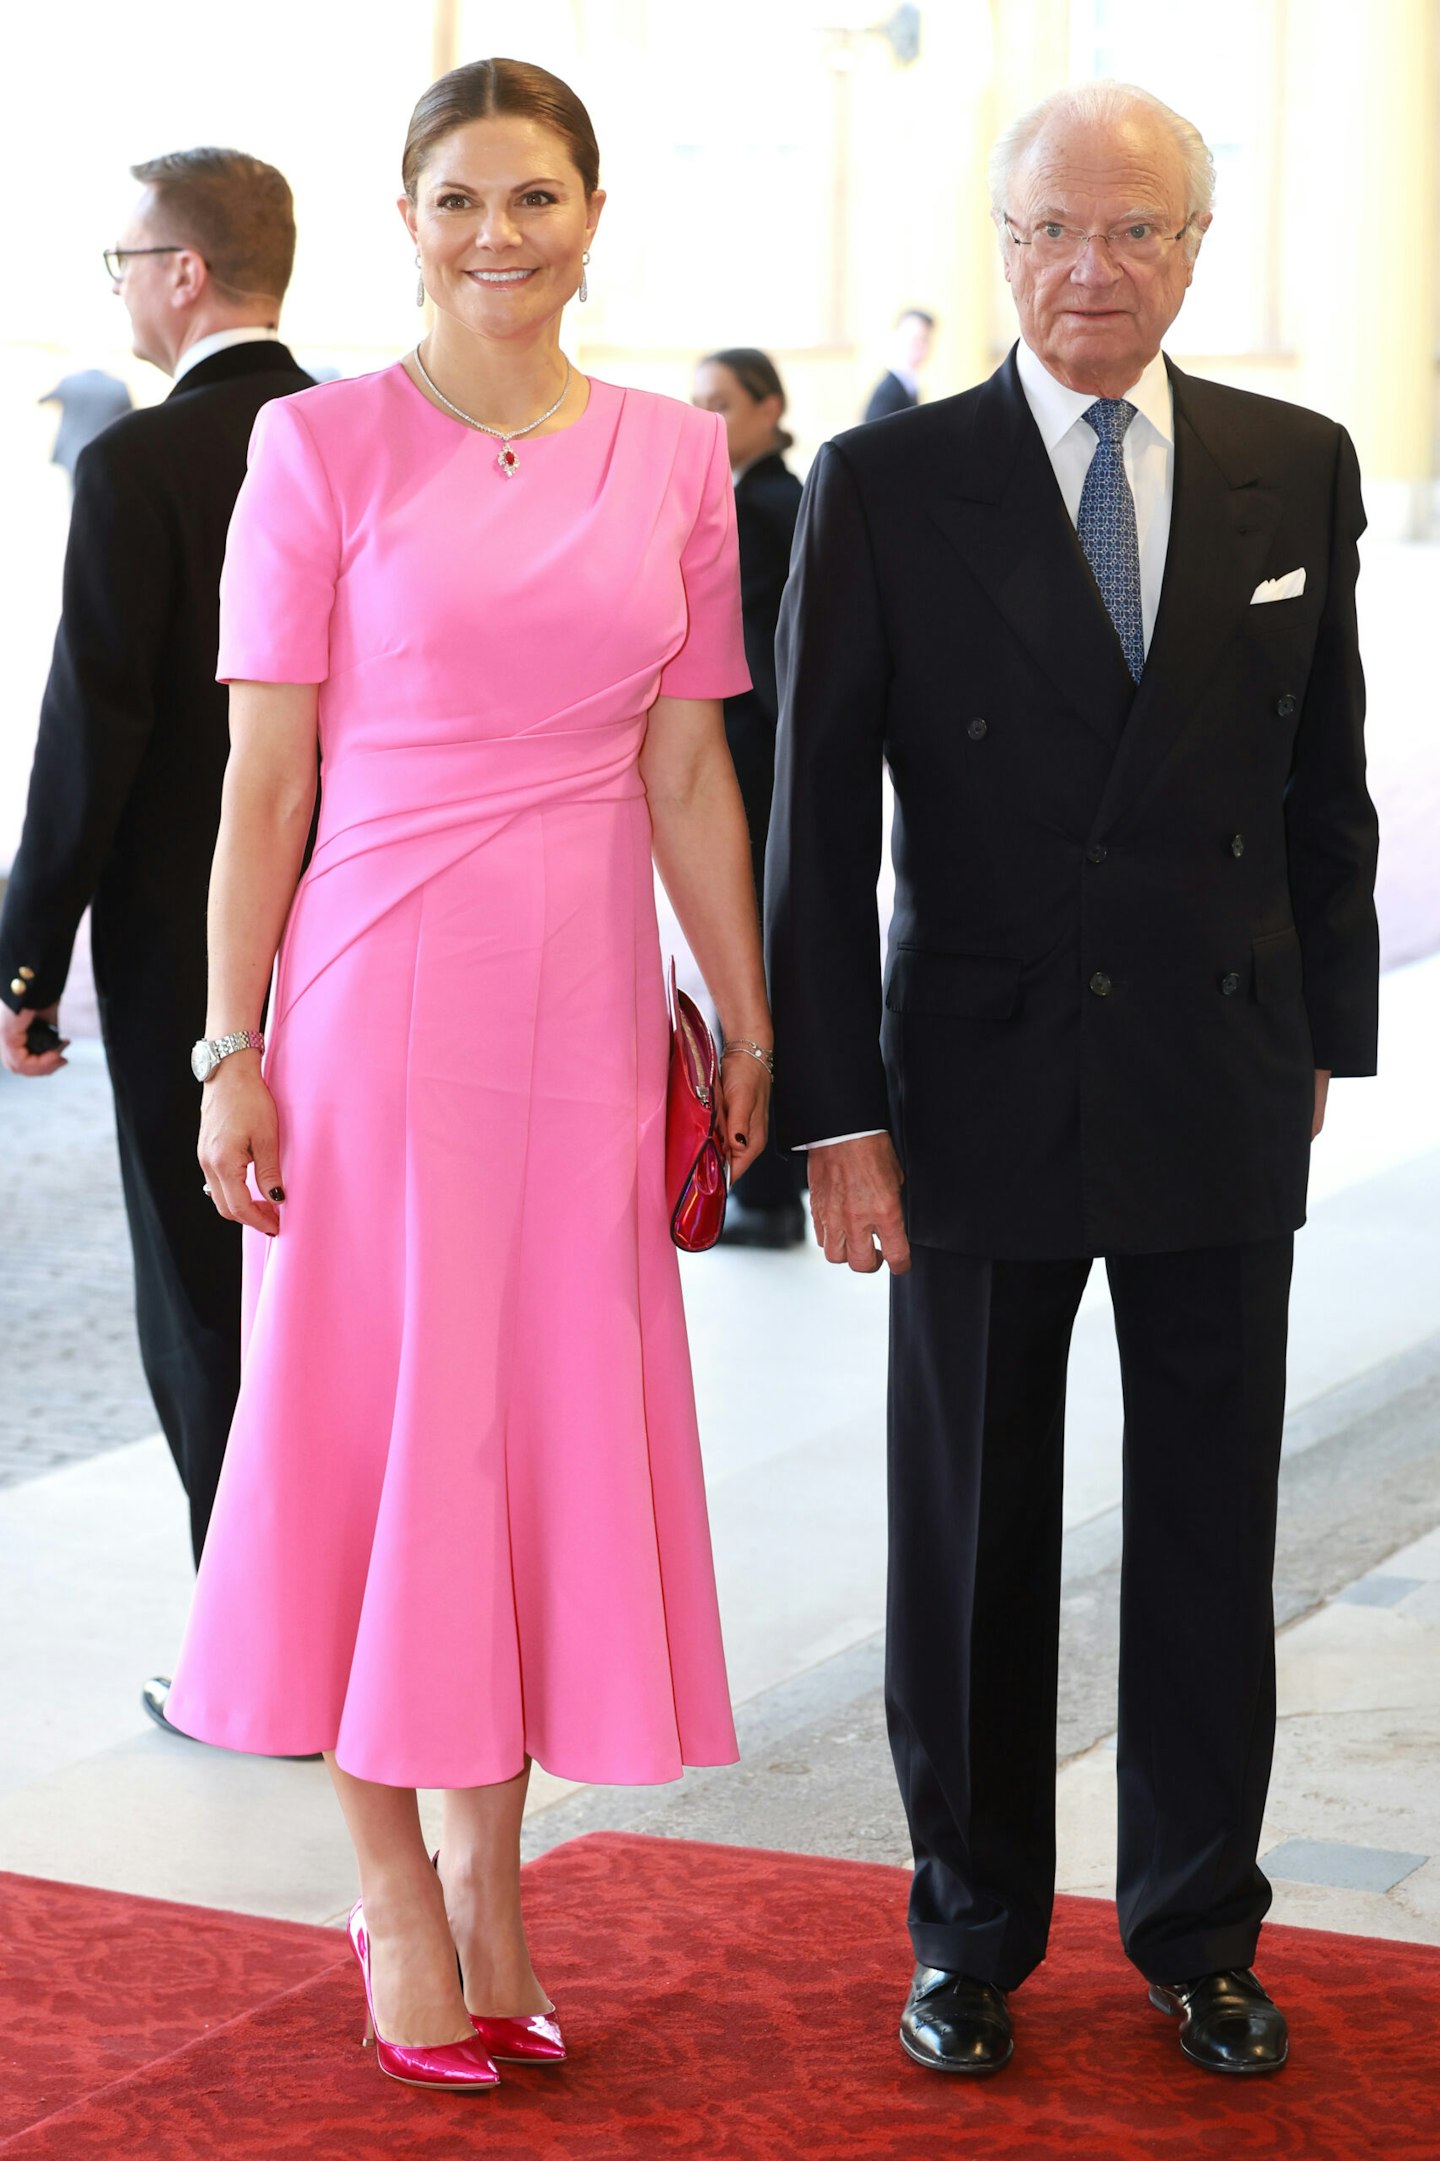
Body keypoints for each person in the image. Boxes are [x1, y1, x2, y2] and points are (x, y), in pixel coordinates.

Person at [165, 58, 771, 2094]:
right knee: (378, 1440)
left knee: (522, 1448)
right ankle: (396, 1891)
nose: (496, 235)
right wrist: (229, 1045)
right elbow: (265, 779)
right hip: (375, 1003)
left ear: (593, 210)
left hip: (585, 1016)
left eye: (531, 196)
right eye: (455, 200)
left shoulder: (679, 457)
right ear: (401, 218)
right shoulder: (312, 448)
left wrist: (748, 1017)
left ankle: (498, 1877)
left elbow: (689, 767)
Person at [767, 80, 1377, 2081]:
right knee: (971, 1539)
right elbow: (814, 827)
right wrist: (834, 1112)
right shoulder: (889, 482)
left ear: (1195, 251)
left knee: (1211, 1522)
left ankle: (1200, 1925)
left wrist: (1324, 1038)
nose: (1086, 269)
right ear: (1000, 243)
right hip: (975, 1085)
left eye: (1131, 231)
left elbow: (1324, 792)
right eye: (1047, 229)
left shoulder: (1299, 463)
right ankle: (973, 1933)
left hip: (1214, 1065)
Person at [0, 151, 311, 1731]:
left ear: (186, 273)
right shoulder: (362, 435)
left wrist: (22, 958)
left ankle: (247, 1659)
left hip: (188, 952)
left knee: (203, 1297)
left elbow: (90, 735)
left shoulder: (140, 466)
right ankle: (355, 1636)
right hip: (351, 931)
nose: (117, 285)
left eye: (124, 256)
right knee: (334, 1299)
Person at [691, 347, 805, 1246]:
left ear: (770, 408)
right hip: (754, 763)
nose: (705, 420)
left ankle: (763, 1187)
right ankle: (761, 1183)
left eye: (721, 403)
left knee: (751, 969)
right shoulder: (759, 498)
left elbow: (771, 663)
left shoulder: (761, 507)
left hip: (753, 768)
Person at [862, 308, 935, 422]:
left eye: (925, 340)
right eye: (915, 339)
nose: (921, 347)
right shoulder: (888, 393)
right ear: (897, 338)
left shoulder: (909, 385)